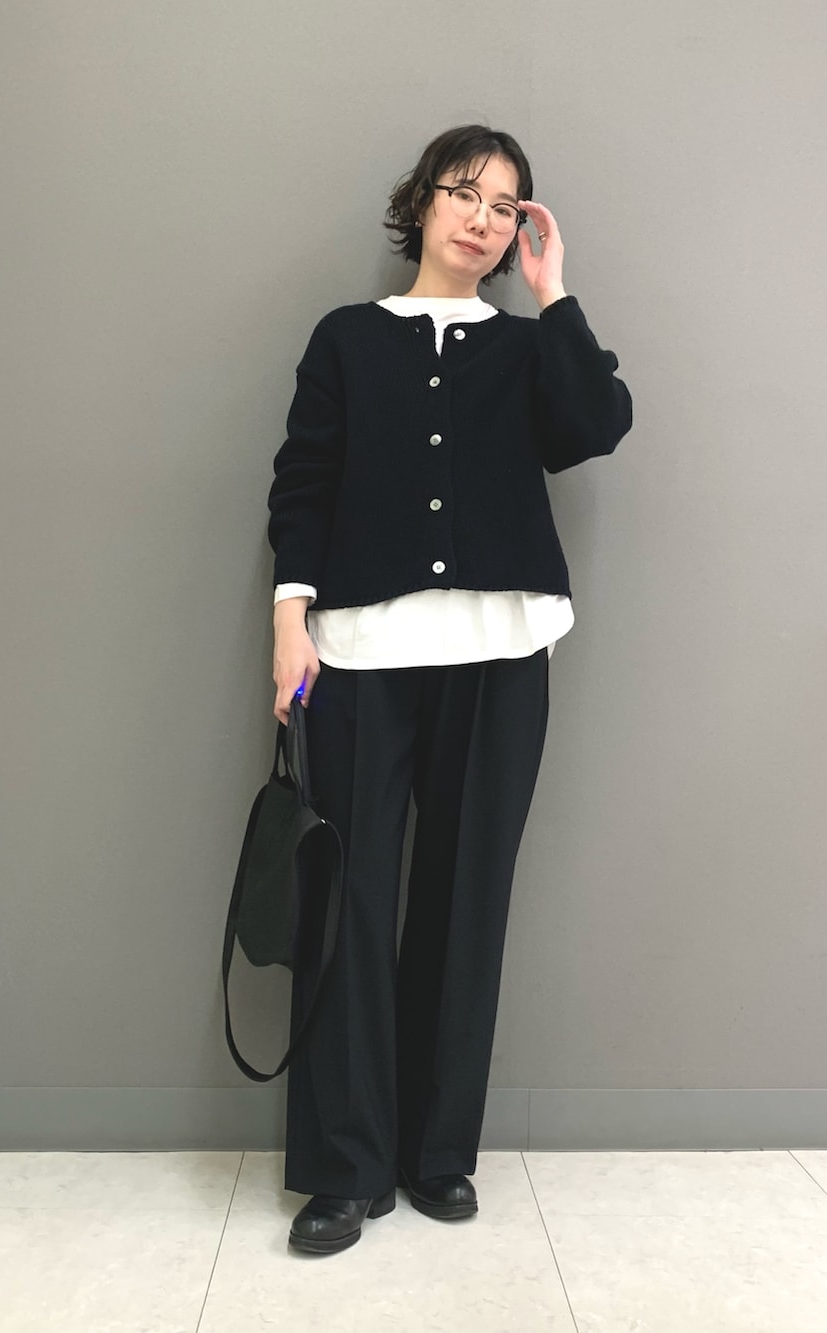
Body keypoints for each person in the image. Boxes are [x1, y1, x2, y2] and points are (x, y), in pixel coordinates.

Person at [266, 124, 633, 1255]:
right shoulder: (346, 338)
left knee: (466, 902)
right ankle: (345, 1168)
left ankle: (436, 1153)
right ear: (421, 200)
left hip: (499, 652)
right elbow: (303, 480)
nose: (481, 217)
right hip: (359, 655)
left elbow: (595, 427)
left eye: (505, 206)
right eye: (464, 193)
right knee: (352, 901)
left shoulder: (526, 350)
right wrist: (288, 623)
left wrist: (554, 295)